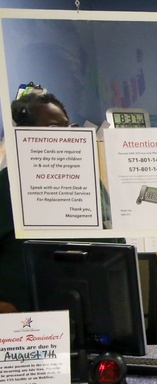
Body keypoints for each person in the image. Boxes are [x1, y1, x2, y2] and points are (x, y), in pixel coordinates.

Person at [1, 90, 108, 313]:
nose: (67, 136)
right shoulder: (7, 185)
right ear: (23, 136)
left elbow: (114, 244)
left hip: (84, 309)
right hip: (21, 320)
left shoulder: (87, 183)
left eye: (70, 128)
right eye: (54, 129)